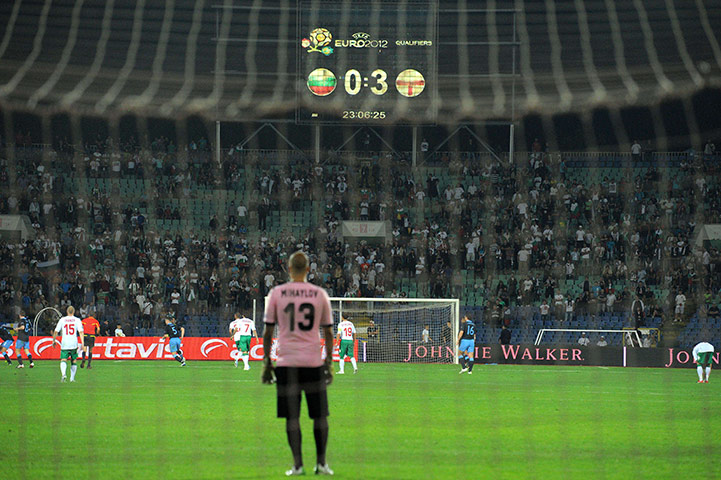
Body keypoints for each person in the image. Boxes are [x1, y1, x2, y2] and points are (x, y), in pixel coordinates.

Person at [262, 251, 334, 476]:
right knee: (319, 416)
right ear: (308, 269)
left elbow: (268, 332)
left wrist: (267, 363)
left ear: (288, 269)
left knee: (292, 418)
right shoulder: (319, 294)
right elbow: (329, 333)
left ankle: (297, 465)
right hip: (312, 363)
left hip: (286, 364)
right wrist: (328, 362)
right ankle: (321, 463)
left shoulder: (277, 293)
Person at [52, 306, 84, 382]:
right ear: (73, 311)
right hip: (73, 343)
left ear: (67, 311)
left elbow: (56, 331)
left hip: (65, 343)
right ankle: (72, 378)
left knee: (63, 359)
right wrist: (82, 343)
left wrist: (54, 340)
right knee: (74, 360)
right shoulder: (77, 320)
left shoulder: (62, 320)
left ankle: (63, 374)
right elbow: (81, 332)